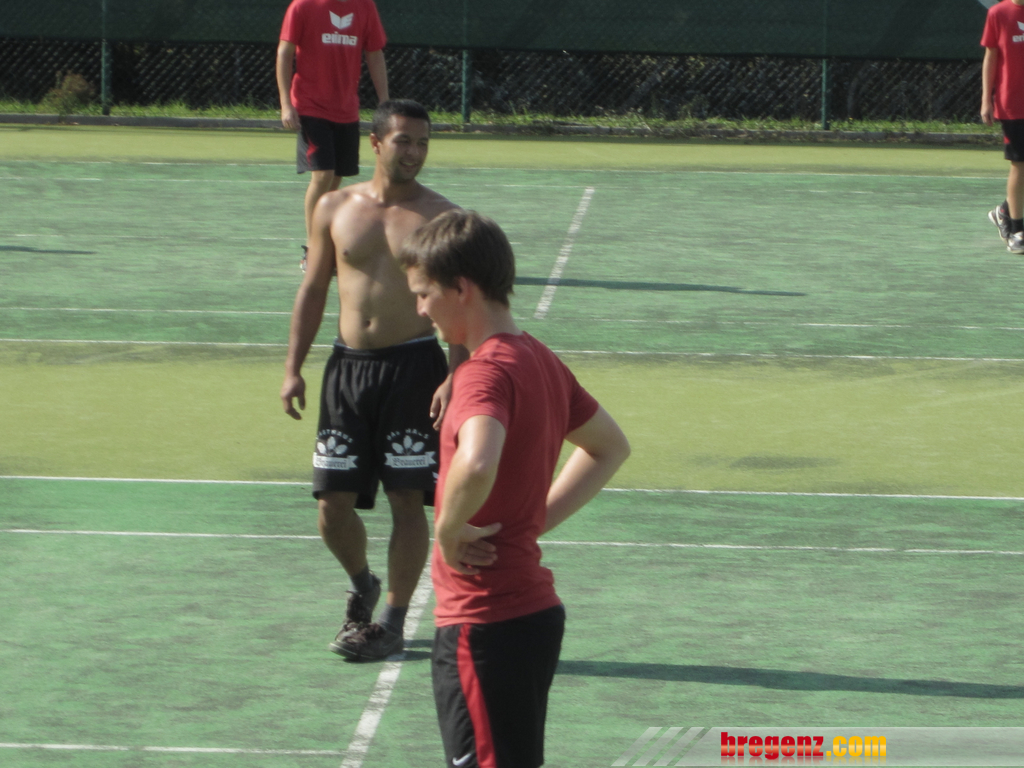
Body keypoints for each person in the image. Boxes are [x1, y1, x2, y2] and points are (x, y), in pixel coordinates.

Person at [399, 210, 631, 768]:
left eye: (425, 293)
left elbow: (479, 459)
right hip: (532, 616)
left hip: (485, 623)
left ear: (461, 288)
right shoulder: (539, 359)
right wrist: (534, 521)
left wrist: (448, 531)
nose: (420, 309)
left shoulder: (483, 374)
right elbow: (609, 447)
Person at [280, 100, 467, 662]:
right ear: (376, 143)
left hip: (415, 369)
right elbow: (314, 289)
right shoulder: (334, 206)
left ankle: (393, 620)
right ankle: (363, 583)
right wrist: (292, 368)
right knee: (331, 505)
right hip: (347, 371)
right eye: (404, 140)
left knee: (407, 498)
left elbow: (458, 305)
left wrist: (456, 374)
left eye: (423, 143)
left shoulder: (443, 218)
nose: (414, 152)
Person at [276, 0, 390, 269]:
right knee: (323, 175)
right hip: (310, 106)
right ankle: (313, 249)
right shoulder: (302, 6)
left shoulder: (364, 6)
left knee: (336, 177)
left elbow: (374, 53)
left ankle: (326, 241)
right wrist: (286, 104)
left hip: (346, 109)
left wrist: (385, 102)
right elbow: (284, 52)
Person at [981, 0, 1024, 254]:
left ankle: (1004, 211)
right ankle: (1017, 230)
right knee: (1019, 164)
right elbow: (991, 57)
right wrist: (986, 99)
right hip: (1013, 105)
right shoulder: (998, 14)